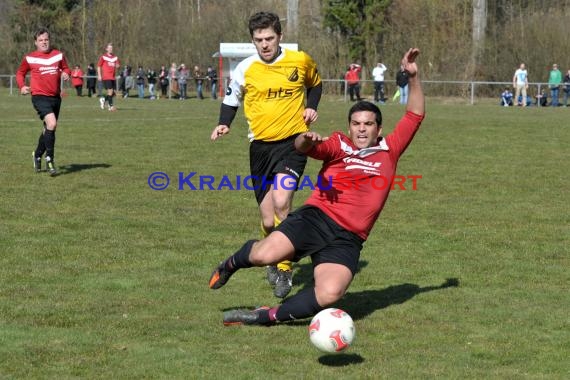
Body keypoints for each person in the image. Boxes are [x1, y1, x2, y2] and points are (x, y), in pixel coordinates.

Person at [209, 47, 425, 327]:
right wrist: (306, 140)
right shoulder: (338, 144)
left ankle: (266, 316)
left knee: (330, 292)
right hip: (315, 218)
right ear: (349, 127)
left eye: (368, 124)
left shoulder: (390, 150)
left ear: (378, 129)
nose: (361, 129)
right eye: (356, 124)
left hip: (348, 238)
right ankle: (231, 264)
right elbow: (303, 147)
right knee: (264, 255)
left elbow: (416, 114)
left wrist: (413, 77)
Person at [210, 11, 322, 299]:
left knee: (283, 202)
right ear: (253, 40)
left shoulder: (300, 61)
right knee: (268, 219)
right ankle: (271, 257)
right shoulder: (246, 68)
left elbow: (315, 83)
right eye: (259, 40)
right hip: (260, 147)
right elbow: (231, 98)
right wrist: (224, 123)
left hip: (294, 142)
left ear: (280, 36)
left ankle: (284, 267)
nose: (265, 44)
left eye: (269, 38)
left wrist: (311, 106)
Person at [16, 27, 71, 176]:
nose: (44, 42)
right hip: (39, 96)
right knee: (52, 123)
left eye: (46, 39)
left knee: (48, 128)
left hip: (55, 97)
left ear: (49, 40)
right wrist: (22, 86)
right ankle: (50, 160)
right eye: (40, 40)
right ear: (35, 42)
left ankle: (37, 155)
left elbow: (66, 68)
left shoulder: (58, 55)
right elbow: (20, 73)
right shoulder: (30, 58)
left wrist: (66, 74)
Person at [97, 43, 120, 111]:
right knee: (110, 91)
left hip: (113, 77)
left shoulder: (115, 57)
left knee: (113, 93)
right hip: (106, 76)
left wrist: (118, 66)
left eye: (111, 48)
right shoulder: (103, 57)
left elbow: (118, 65)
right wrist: (99, 75)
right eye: (109, 48)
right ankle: (111, 107)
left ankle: (103, 100)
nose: (110, 49)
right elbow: (98, 66)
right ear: (106, 49)